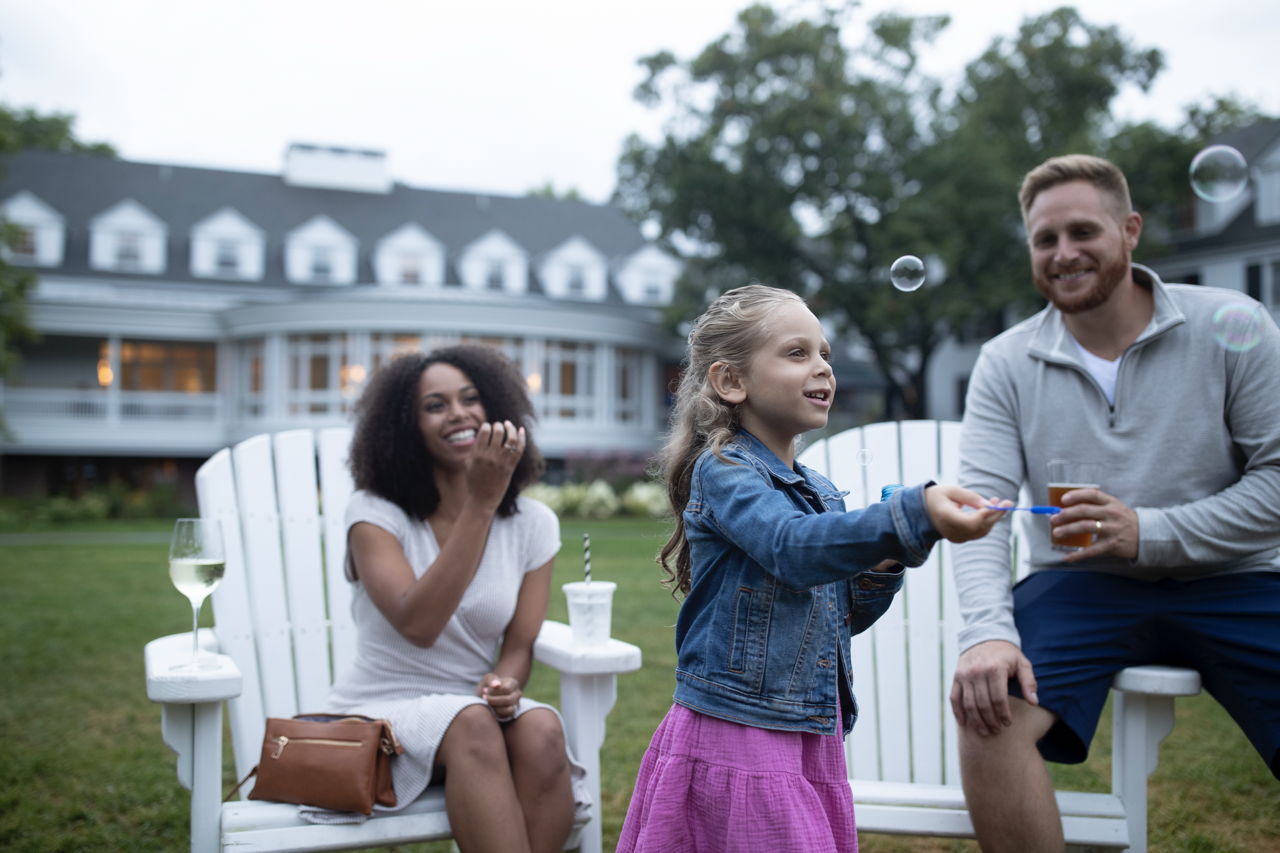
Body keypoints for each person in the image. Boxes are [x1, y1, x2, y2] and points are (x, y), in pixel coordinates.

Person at [951, 154, 1280, 852]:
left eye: (1083, 231)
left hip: (1238, 577)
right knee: (990, 713)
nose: (1064, 253)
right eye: (1045, 239)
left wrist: (1148, 531)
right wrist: (987, 631)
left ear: (1130, 230)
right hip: (1078, 586)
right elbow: (983, 512)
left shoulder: (1232, 323)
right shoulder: (1007, 361)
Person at [617, 284, 1006, 853]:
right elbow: (791, 548)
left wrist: (886, 557)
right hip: (739, 732)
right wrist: (905, 515)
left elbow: (839, 614)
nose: (822, 366)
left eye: (823, 352)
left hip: (807, 733)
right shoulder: (724, 472)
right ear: (731, 381)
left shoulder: (821, 491)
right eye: (797, 353)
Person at [314, 345, 588, 853]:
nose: (458, 413)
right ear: (405, 427)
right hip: (380, 714)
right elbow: (419, 623)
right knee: (471, 724)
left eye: (470, 398)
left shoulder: (532, 525)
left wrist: (508, 681)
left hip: (474, 711)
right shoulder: (375, 514)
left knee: (543, 728)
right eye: (435, 405)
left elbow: (521, 644)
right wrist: (481, 502)